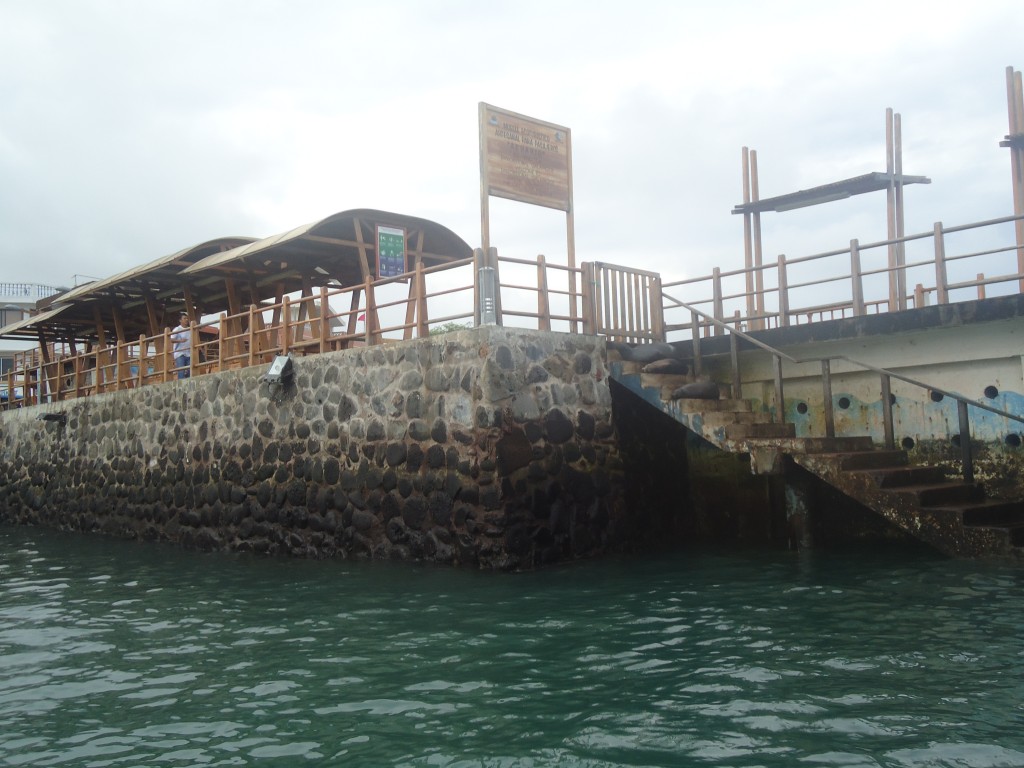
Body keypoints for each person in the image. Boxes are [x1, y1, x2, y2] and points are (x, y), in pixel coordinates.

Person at [171, 312, 192, 379]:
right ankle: (181, 383)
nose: (186, 320)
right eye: (184, 318)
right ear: (180, 320)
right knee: (181, 372)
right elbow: (171, 340)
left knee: (190, 371)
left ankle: (188, 382)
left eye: (187, 318)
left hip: (188, 353)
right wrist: (180, 341)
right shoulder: (177, 329)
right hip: (179, 353)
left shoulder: (190, 329)